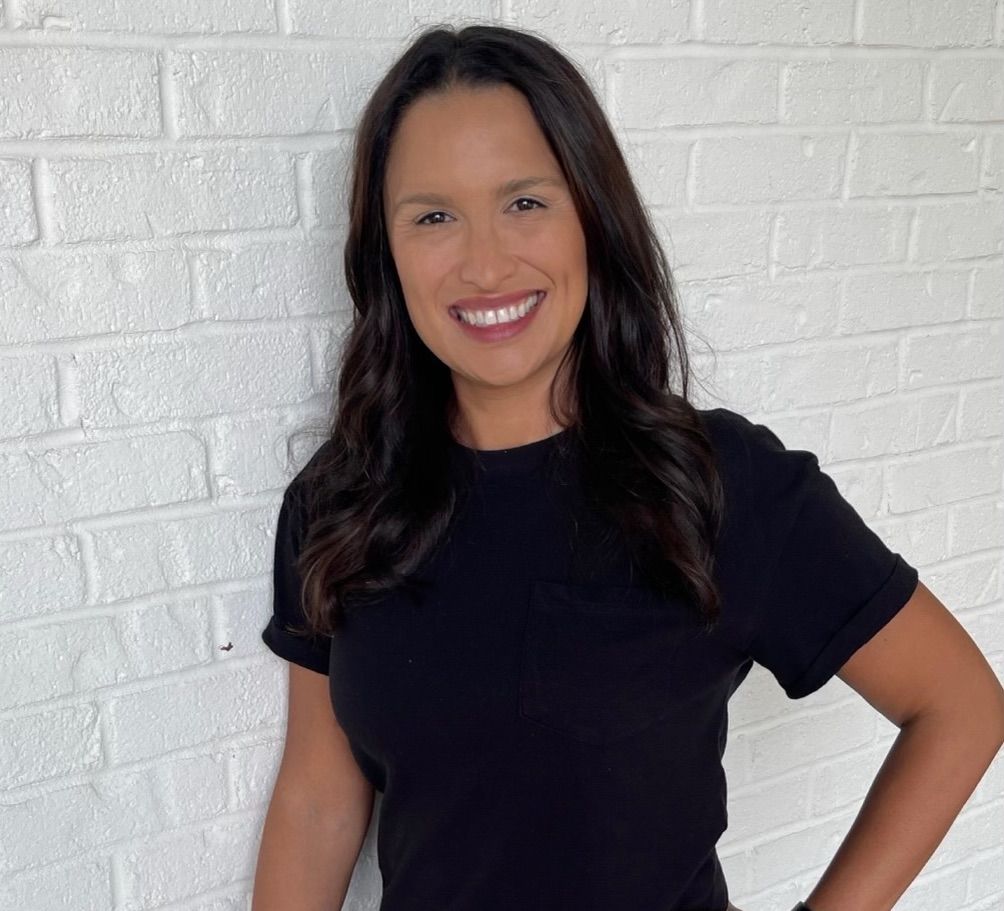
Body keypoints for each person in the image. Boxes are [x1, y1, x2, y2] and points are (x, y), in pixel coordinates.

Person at [251, 23, 1004, 911]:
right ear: (387, 250)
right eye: (433, 216)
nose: (486, 262)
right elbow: (316, 798)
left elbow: (960, 705)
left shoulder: (718, 484)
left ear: (592, 221)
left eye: (525, 202)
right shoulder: (342, 498)